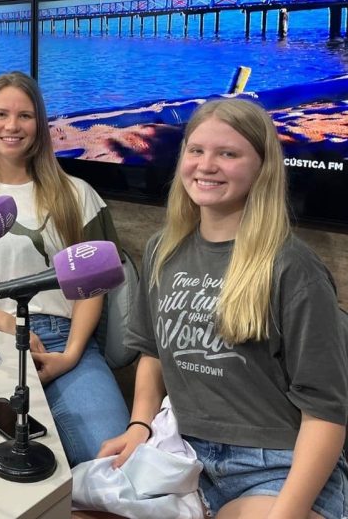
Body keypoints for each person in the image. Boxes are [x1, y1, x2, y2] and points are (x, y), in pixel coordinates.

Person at [97, 98, 348, 519]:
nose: (206, 165)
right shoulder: (164, 249)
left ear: (262, 168)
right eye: (196, 151)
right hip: (182, 454)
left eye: (228, 154)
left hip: (276, 467)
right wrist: (139, 425)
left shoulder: (292, 266)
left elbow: (326, 412)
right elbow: (152, 353)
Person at [0, 71, 129, 466]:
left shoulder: (77, 194)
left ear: (40, 125)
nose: (12, 126)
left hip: (64, 340)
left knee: (110, 460)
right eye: (1, 115)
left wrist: (70, 355)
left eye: (25, 116)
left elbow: (93, 288)